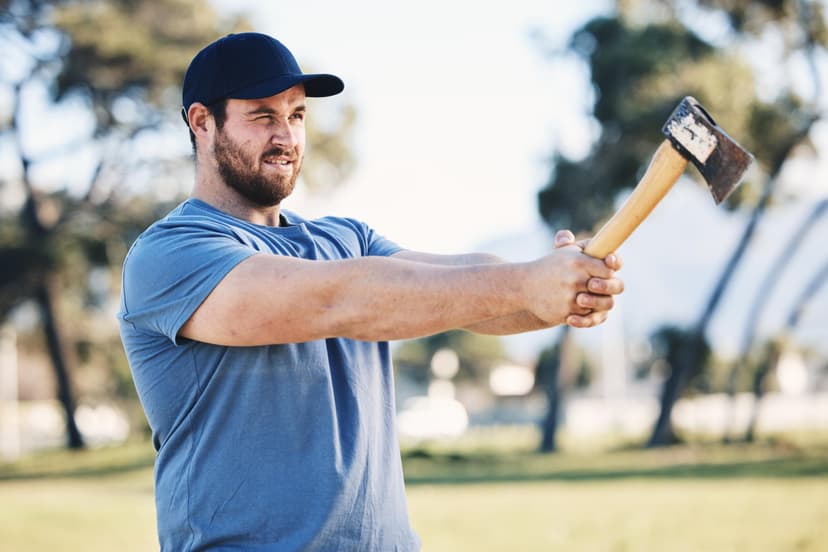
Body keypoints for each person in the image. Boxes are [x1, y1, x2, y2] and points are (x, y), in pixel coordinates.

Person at [118, 32, 624, 552]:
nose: (287, 136)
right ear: (202, 122)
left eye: (296, 115)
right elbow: (336, 301)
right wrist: (526, 283)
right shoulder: (170, 253)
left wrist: (559, 285)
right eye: (264, 116)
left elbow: (465, 287)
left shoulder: (346, 239)